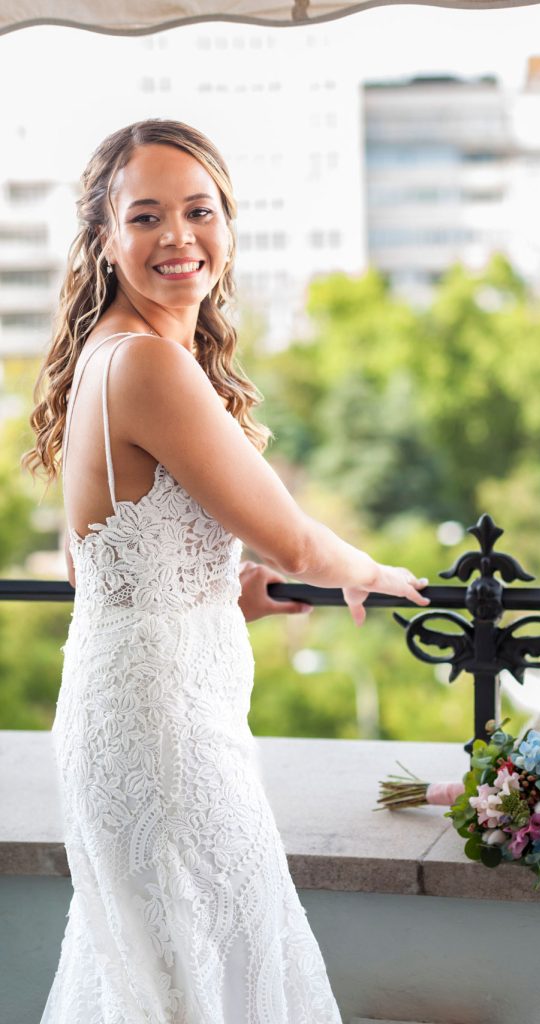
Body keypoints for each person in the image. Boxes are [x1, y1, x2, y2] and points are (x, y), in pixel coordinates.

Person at [22, 118, 430, 1023]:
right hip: (163, 740)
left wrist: (223, 599)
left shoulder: (111, 354)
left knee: (172, 975)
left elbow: (104, 576)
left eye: (200, 211)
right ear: (103, 238)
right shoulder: (151, 363)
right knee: (213, 976)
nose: (179, 237)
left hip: (135, 713)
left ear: (228, 226)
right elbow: (297, 543)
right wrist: (367, 569)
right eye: (147, 216)